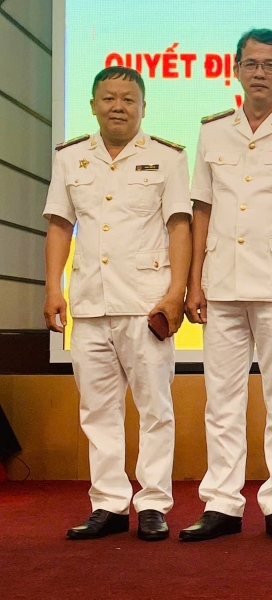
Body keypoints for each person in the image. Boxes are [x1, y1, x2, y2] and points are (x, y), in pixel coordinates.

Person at [181, 28, 272, 543]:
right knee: (221, 400)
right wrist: (194, 283)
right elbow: (201, 209)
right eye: (251, 63)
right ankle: (222, 502)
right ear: (236, 69)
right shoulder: (213, 131)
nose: (260, 72)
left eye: (270, 64)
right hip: (221, 283)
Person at [43, 66, 191, 542]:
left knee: (155, 408)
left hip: (147, 303)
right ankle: (108, 503)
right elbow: (60, 225)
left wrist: (176, 292)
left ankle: (153, 503)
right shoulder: (70, 158)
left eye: (129, 99)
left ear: (143, 107)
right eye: (109, 98)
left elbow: (179, 226)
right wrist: (52, 288)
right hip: (90, 303)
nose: (118, 107)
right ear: (93, 105)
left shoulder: (168, 157)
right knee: (98, 411)